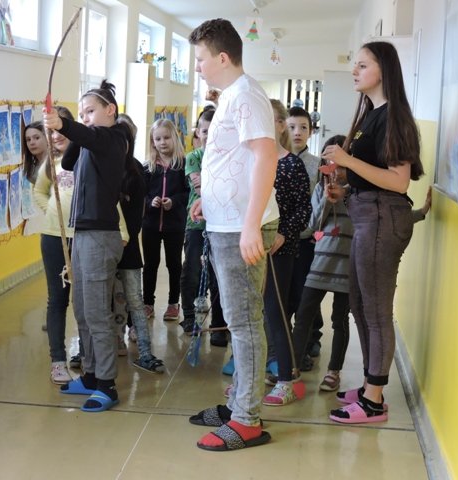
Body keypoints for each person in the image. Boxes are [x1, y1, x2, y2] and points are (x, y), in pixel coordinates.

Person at [187, 18, 279, 451]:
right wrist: (211, 201)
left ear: (222, 58)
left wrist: (250, 223)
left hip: (243, 225)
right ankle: (239, 404)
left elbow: (265, 158)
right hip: (227, 220)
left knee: (244, 323)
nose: (198, 66)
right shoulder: (231, 96)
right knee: (240, 319)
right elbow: (232, 159)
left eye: (201, 58)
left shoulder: (246, 95)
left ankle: (247, 420)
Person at [322, 41, 424, 424]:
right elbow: (373, 175)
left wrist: (346, 160)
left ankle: (374, 400)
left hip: (383, 219)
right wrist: (344, 185)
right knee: (360, 305)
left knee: (377, 311)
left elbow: (398, 182)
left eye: (362, 65)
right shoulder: (370, 114)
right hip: (367, 214)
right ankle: (369, 385)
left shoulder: (394, 115)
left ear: (384, 70)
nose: (355, 71)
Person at [43, 80, 133, 413]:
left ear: (111, 110)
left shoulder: (115, 137)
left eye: (91, 111)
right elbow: (68, 162)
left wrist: (66, 125)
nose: (86, 117)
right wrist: (67, 131)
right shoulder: (90, 143)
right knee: (81, 309)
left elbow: (93, 137)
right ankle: (92, 375)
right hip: (81, 234)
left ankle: (107, 384)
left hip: (100, 236)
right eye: (82, 113)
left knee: (96, 313)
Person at [260, 99, 311, 406]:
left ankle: (286, 381)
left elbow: (302, 210)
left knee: (276, 313)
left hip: (280, 249)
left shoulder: (292, 165)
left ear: (280, 125)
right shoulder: (253, 160)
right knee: (253, 316)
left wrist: (282, 234)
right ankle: (250, 378)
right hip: (253, 248)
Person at [292, 134, 353, 393]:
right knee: (304, 313)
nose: (334, 170)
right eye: (329, 163)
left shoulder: (359, 192)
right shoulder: (320, 188)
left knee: (340, 319)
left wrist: (345, 196)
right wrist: (327, 201)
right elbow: (313, 226)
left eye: (340, 163)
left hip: (348, 266)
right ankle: (291, 367)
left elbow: (363, 224)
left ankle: (333, 371)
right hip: (321, 262)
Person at [115, 113, 165, 373]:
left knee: (134, 299)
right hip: (103, 247)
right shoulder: (99, 166)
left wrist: (124, 239)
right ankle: (105, 346)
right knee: (106, 300)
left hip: (128, 247)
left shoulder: (135, 171)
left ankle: (145, 351)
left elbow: (136, 217)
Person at [33, 106, 77, 384]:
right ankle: (58, 360)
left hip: (83, 236)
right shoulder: (51, 163)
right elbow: (38, 191)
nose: (56, 135)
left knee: (83, 301)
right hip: (53, 237)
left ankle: (85, 353)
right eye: (50, 131)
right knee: (57, 299)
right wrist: (50, 209)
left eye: (60, 128)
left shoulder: (86, 157)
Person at [179, 108, 227, 346]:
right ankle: (189, 317)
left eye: (213, 130)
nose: (209, 135)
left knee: (218, 277)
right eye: (204, 131)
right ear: (198, 132)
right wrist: (221, 184)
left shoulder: (228, 157)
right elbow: (200, 189)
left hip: (222, 225)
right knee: (192, 271)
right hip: (196, 223)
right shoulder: (193, 157)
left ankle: (219, 325)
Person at [285, 107, 324, 364]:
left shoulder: (317, 164)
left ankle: (310, 339)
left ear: (311, 132)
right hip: (282, 237)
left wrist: (316, 232)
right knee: (285, 292)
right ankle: (287, 341)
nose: (297, 132)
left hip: (307, 237)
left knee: (306, 291)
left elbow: (321, 202)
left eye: (303, 128)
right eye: (292, 127)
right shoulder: (276, 159)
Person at [141, 118, 189, 322]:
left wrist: (174, 202)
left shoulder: (182, 165)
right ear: (152, 142)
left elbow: (188, 193)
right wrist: (150, 201)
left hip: (174, 225)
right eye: (158, 139)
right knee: (150, 264)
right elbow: (141, 194)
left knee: (174, 264)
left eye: (166, 138)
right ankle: (148, 303)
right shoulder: (148, 167)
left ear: (174, 138)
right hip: (151, 224)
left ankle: (173, 303)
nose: (162, 142)